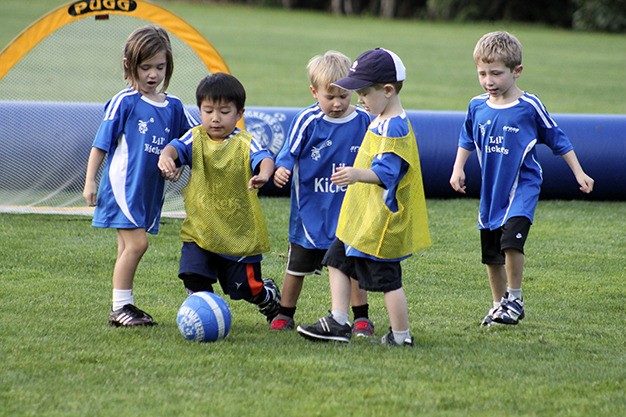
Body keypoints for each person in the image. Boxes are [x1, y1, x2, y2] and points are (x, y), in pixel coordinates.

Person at [449, 31, 594, 327]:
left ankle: (515, 299)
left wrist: (579, 172)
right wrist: (457, 168)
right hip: (492, 192)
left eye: (496, 74)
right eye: (482, 73)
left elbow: (558, 139)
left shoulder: (529, 106)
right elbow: (466, 137)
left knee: (511, 243)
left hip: (522, 189)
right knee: (491, 255)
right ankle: (498, 305)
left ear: (517, 72)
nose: (488, 81)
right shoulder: (476, 106)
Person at [296, 48, 431, 346]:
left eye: (363, 93)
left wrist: (356, 174)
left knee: (388, 282)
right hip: (363, 220)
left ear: (387, 90)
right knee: (335, 260)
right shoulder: (382, 118)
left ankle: (400, 336)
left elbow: (387, 173)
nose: (359, 101)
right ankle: (339, 322)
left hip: (380, 224)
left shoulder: (394, 127)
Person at [83, 25, 197, 327]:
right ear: (129, 66)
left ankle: (124, 305)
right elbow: (101, 144)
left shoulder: (173, 107)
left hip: (148, 192)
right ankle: (120, 308)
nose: (152, 74)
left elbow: (182, 144)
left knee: (127, 247)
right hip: (122, 189)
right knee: (137, 245)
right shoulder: (125, 101)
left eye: (159, 67)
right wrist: (90, 180)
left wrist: (177, 168)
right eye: (145, 67)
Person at [158, 72, 281, 323]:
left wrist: (264, 174)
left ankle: (268, 297)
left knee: (247, 289)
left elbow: (265, 158)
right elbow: (175, 147)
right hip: (200, 230)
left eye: (224, 111)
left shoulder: (245, 143)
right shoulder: (194, 137)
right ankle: (205, 317)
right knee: (193, 275)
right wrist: (165, 156)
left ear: (239, 114)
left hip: (238, 234)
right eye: (208, 110)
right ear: (200, 111)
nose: (215, 118)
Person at [270, 51, 374, 335]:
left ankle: (361, 316)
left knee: (350, 264)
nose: (338, 104)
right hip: (310, 209)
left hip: (348, 209)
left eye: (344, 96)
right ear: (314, 92)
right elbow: (287, 153)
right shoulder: (307, 120)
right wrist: (282, 168)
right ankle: (285, 312)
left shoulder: (364, 121)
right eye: (330, 97)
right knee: (297, 267)